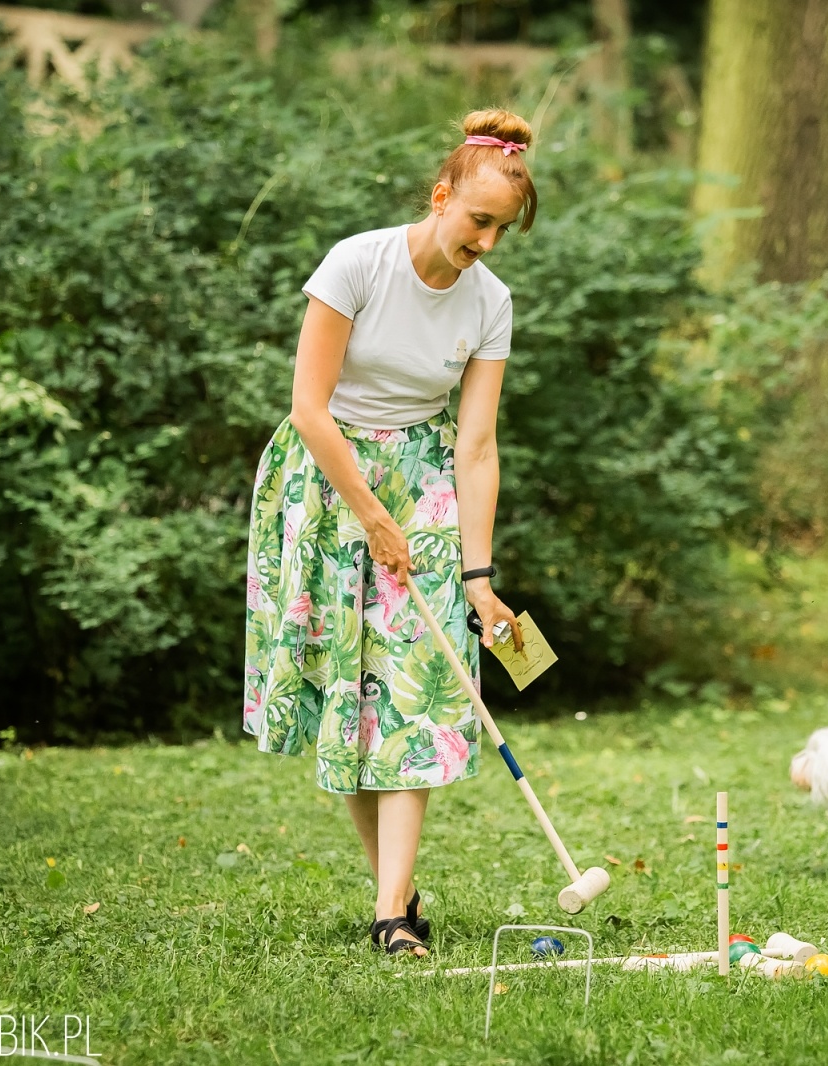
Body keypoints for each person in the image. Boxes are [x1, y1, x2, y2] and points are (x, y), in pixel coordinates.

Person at [241, 109, 534, 958]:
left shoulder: (491, 302)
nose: (486, 242)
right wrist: (370, 515)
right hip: (327, 477)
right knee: (350, 690)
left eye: (502, 230)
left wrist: (479, 576)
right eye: (478, 220)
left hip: (424, 484)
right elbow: (309, 407)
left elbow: (476, 446)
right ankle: (396, 894)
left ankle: (391, 914)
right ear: (442, 197)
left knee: (420, 688)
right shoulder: (357, 263)